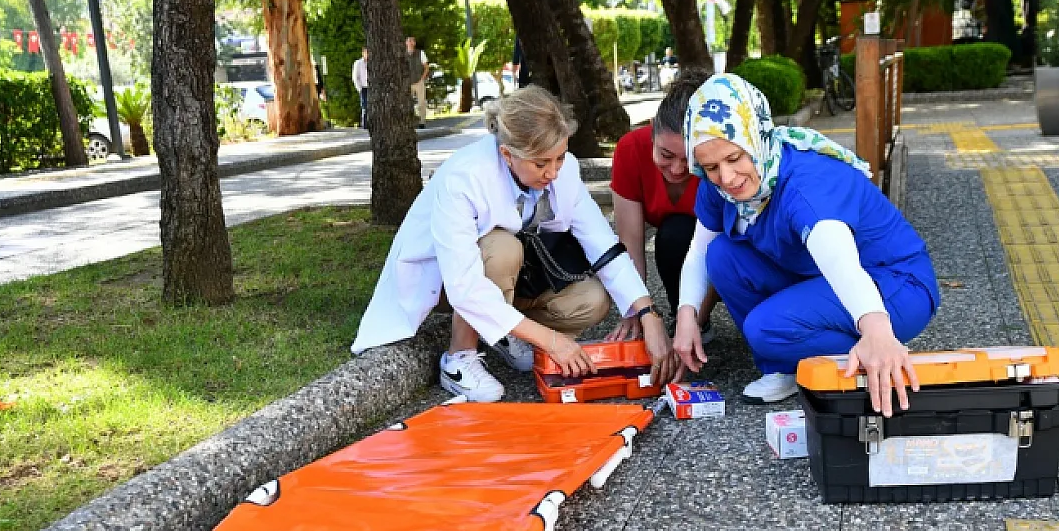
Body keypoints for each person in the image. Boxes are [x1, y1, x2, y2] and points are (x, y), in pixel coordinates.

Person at [353, 86, 680, 402]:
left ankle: (507, 333)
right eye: (541, 163)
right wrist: (551, 341)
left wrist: (648, 313)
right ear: (508, 154)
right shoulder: (464, 178)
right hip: (443, 283)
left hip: (509, 273)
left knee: (592, 299)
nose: (553, 172)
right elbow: (463, 285)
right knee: (500, 249)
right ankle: (458, 359)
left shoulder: (562, 171)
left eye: (560, 158)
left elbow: (602, 244)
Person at [672, 73, 940, 411]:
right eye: (711, 167)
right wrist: (686, 318)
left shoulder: (806, 183)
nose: (726, 178)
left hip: (895, 284)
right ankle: (782, 366)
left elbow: (840, 260)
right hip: (818, 274)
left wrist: (876, 329)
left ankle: (879, 353)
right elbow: (699, 251)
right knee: (722, 255)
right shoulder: (719, 186)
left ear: (758, 137)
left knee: (765, 329)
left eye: (735, 158)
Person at [607, 68, 719, 337]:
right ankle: (680, 311)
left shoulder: (720, 157)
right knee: (673, 234)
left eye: (690, 159)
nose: (678, 169)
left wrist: (691, 321)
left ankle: (695, 320)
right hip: (677, 242)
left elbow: (728, 243)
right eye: (666, 154)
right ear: (652, 132)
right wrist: (637, 311)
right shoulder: (631, 149)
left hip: (729, 251)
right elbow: (631, 242)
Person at [406, 36, 429, 127]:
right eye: (409, 41)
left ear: (414, 43)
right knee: (408, 103)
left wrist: (422, 78)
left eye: (412, 41)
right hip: (408, 82)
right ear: (406, 43)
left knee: (421, 103)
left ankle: (422, 121)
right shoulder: (403, 54)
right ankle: (409, 121)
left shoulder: (421, 53)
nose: (411, 43)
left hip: (419, 81)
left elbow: (426, 67)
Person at [352, 47, 369, 128]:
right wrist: (360, 88)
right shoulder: (358, 63)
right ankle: (365, 124)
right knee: (365, 106)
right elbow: (355, 77)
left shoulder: (373, 62)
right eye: (366, 52)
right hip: (364, 87)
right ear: (363, 53)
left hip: (373, 87)